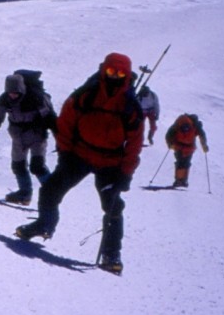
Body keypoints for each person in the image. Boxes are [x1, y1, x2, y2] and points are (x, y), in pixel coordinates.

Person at [15, 53, 144, 274]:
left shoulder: (130, 106)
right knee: (51, 190)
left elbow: (134, 144)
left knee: (113, 205)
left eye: (120, 73)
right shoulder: (87, 94)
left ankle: (111, 254)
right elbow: (66, 122)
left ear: (127, 75)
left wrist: (126, 174)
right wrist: (65, 152)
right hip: (79, 155)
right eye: (112, 72)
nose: (115, 77)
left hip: (110, 162)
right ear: (104, 70)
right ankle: (44, 225)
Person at [0, 70, 56, 205]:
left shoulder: (36, 98)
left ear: (22, 90)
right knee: (18, 165)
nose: (12, 95)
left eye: (16, 93)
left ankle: (52, 194)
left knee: (37, 166)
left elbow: (51, 118)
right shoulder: (4, 99)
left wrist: (60, 139)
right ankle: (25, 193)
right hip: (18, 137)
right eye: (10, 93)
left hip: (37, 135)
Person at [164, 113, 208, 187]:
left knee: (185, 163)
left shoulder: (195, 125)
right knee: (182, 163)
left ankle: (182, 180)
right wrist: (170, 143)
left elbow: (202, 135)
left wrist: (204, 145)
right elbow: (169, 134)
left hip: (188, 147)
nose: (185, 131)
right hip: (179, 146)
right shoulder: (178, 124)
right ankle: (180, 180)